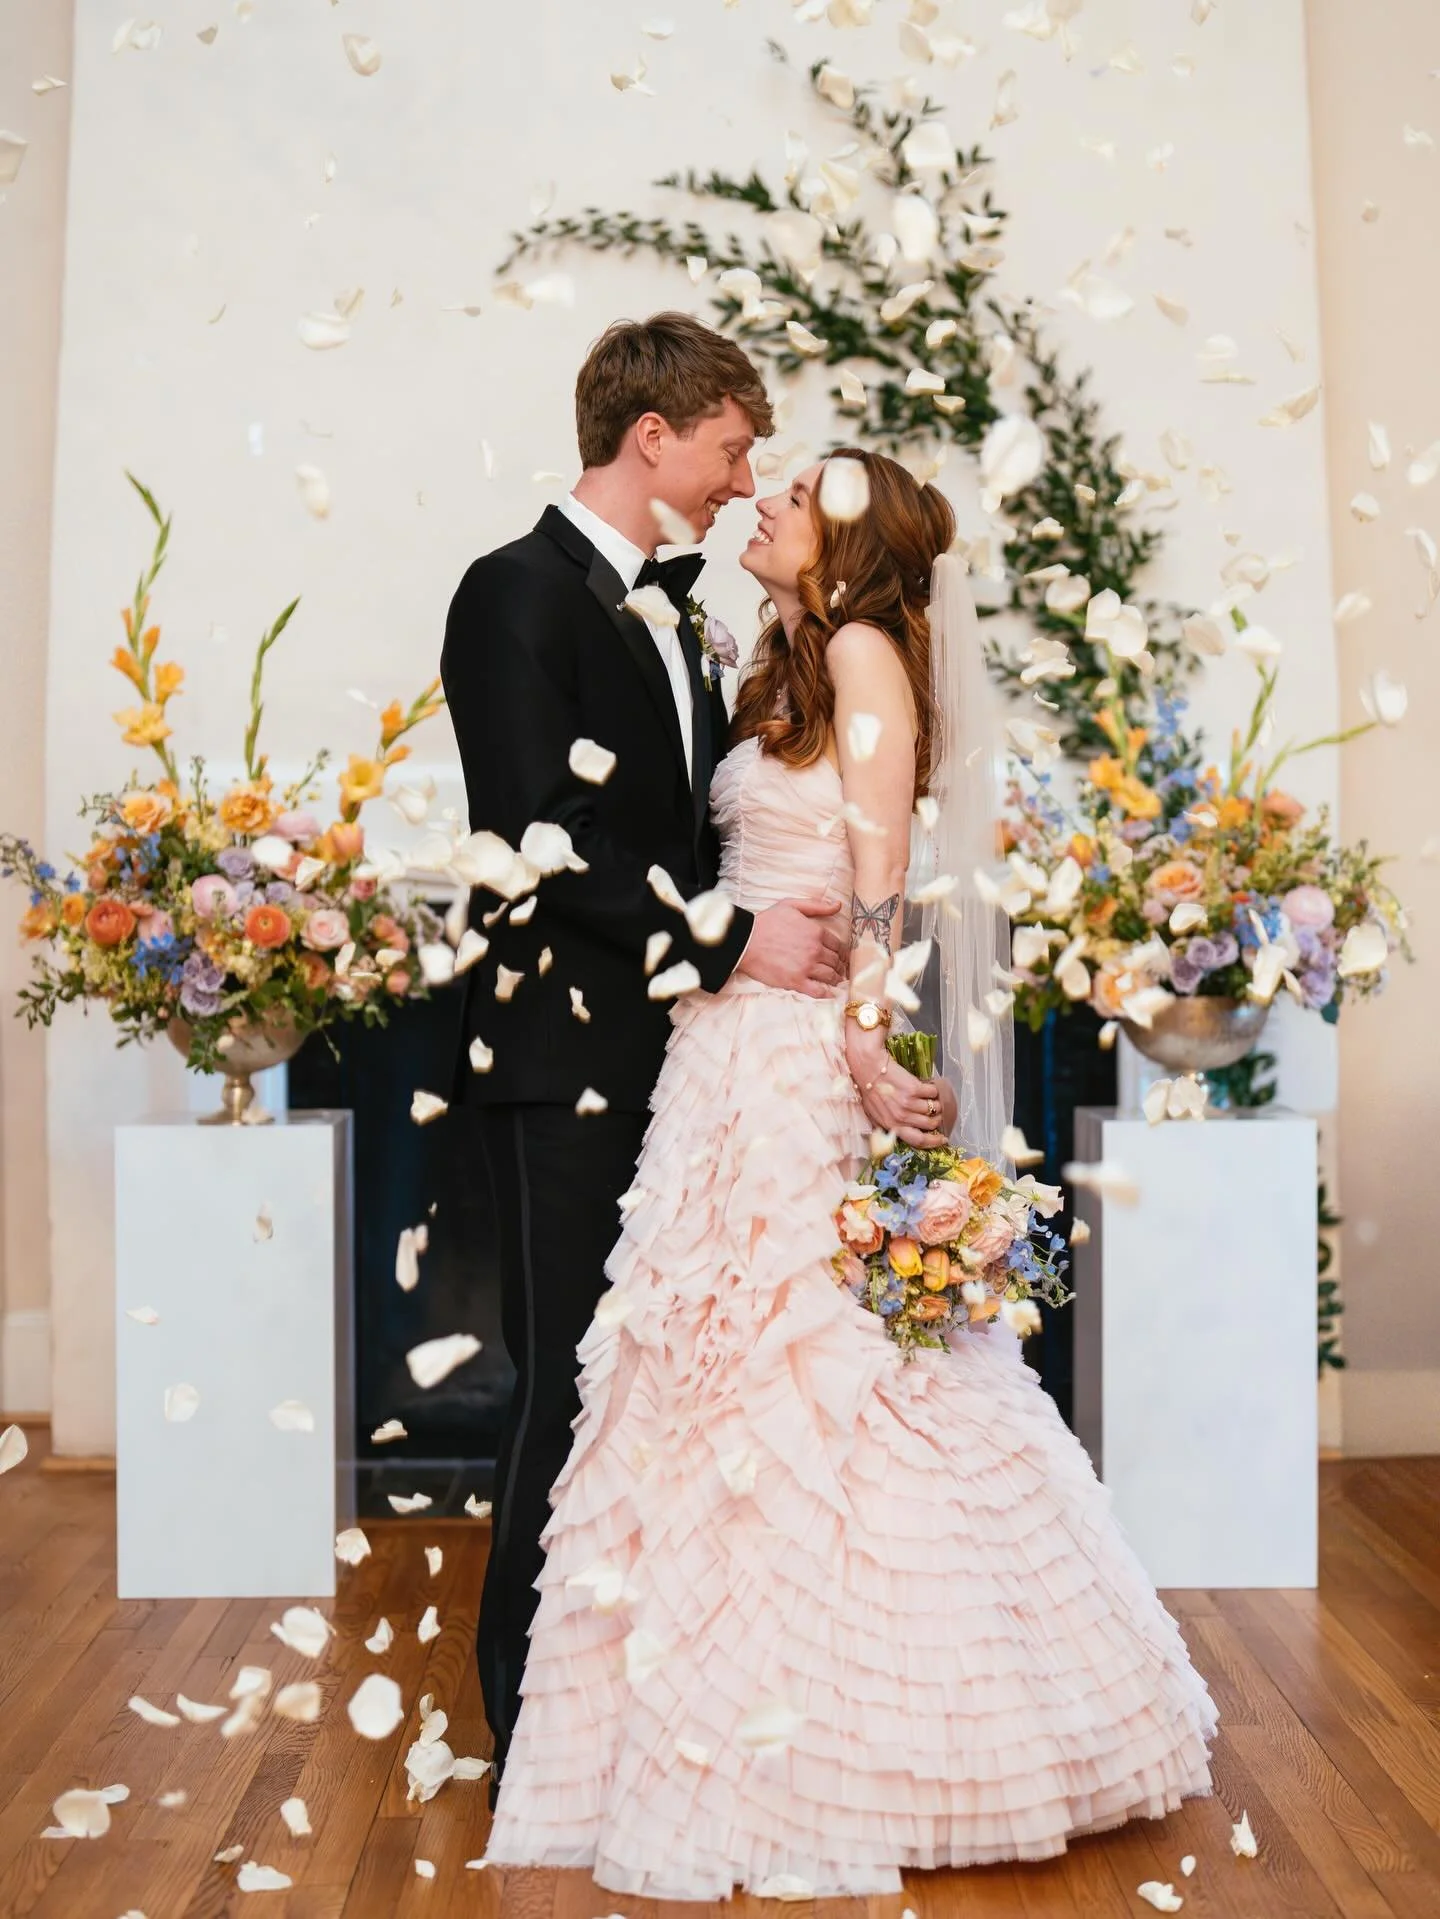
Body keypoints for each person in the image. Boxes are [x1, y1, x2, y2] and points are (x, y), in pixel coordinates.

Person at [481, 447, 1219, 1898]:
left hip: (798, 1057)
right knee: (700, 1373)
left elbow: (883, 880)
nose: (763, 498)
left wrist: (871, 1048)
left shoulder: (869, 650)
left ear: (845, 539)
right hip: (715, 1057)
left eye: (794, 488)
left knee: (821, 1377)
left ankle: (847, 1732)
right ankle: (685, 1710)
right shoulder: (784, 658)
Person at [439, 316, 953, 1805]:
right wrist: (731, 940)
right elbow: (536, 834)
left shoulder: (709, 628)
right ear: (650, 437)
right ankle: (525, 1722)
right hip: (567, 1061)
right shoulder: (513, 594)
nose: (746, 483)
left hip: (694, 1071)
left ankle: (667, 1706)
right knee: (571, 1393)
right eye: (733, 450)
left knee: (676, 1397)